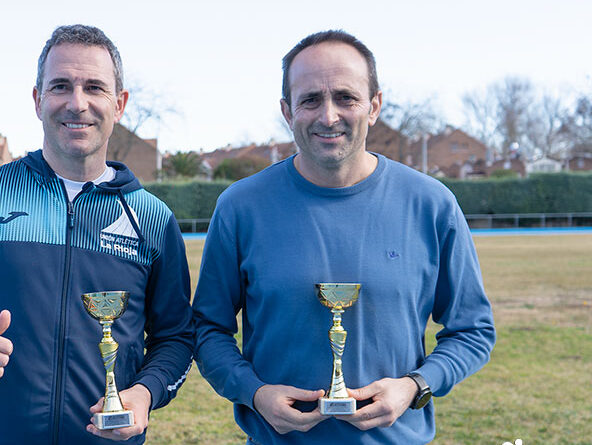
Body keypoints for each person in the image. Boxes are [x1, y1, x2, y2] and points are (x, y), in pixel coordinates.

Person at [192, 30, 495, 445]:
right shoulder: (240, 206)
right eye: (310, 99)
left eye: (346, 98)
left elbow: (472, 329)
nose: (328, 115)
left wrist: (415, 386)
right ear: (287, 110)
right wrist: (255, 393)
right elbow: (208, 328)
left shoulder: (431, 203)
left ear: (374, 107)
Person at [0, 24, 194, 444]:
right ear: (38, 101)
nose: (78, 104)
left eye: (94, 87)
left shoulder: (153, 218)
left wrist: (144, 395)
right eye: (61, 86)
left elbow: (176, 337)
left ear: (120, 103)